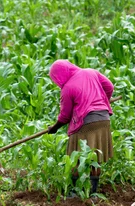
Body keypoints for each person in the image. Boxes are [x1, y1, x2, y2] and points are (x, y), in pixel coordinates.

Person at [47, 59, 114, 196]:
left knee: (75, 153)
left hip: (87, 123)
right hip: (104, 119)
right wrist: (103, 100)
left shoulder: (67, 89)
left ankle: (74, 192)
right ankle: (93, 192)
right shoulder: (91, 72)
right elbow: (109, 87)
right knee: (96, 156)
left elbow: (65, 116)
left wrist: (54, 128)